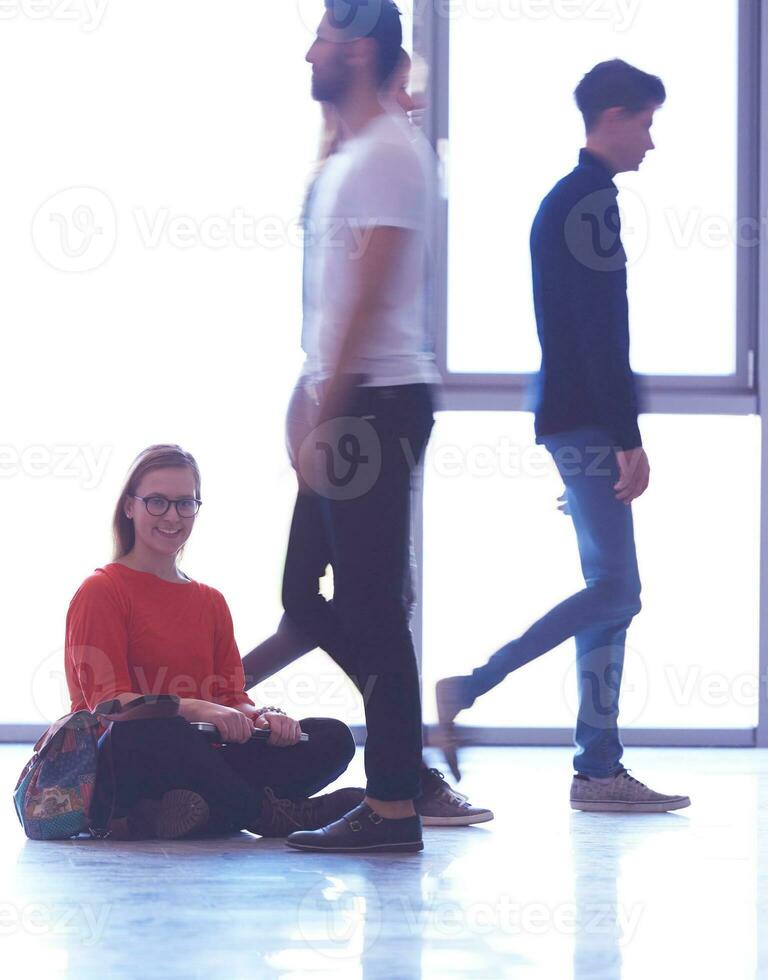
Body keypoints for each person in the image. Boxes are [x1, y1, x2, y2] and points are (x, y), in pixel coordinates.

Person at [244, 44, 493, 833]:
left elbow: (370, 291)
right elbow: (326, 302)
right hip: (346, 399)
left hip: (371, 405)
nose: (308, 50)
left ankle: (394, 796)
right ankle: (402, 762)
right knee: (308, 595)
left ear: (356, 52)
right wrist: (307, 391)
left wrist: (329, 407)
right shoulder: (351, 156)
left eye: (322, 35)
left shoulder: (388, 153)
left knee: (373, 607)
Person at [435, 60, 690, 813]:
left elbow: (577, 330)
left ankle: (597, 767)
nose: (651, 141)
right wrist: (624, 437)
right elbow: (599, 331)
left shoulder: (567, 200)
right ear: (611, 116)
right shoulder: (589, 202)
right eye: (645, 122)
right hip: (584, 419)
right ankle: (472, 688)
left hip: (569, 417)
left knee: (610, 594)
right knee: (616, 589)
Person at [63, 445, 365, 840]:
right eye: (156, 502)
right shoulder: (102, 590)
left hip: (204, 757)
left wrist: (262, 717)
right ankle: (271, 814)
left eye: (184, 503)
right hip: (127, 759)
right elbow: (109, 705)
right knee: (155, 733)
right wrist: (195, 708)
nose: (172, 516)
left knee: (331, 736)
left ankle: (179, 814)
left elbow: (229, 694)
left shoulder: (210, 600)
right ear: (129, 508)